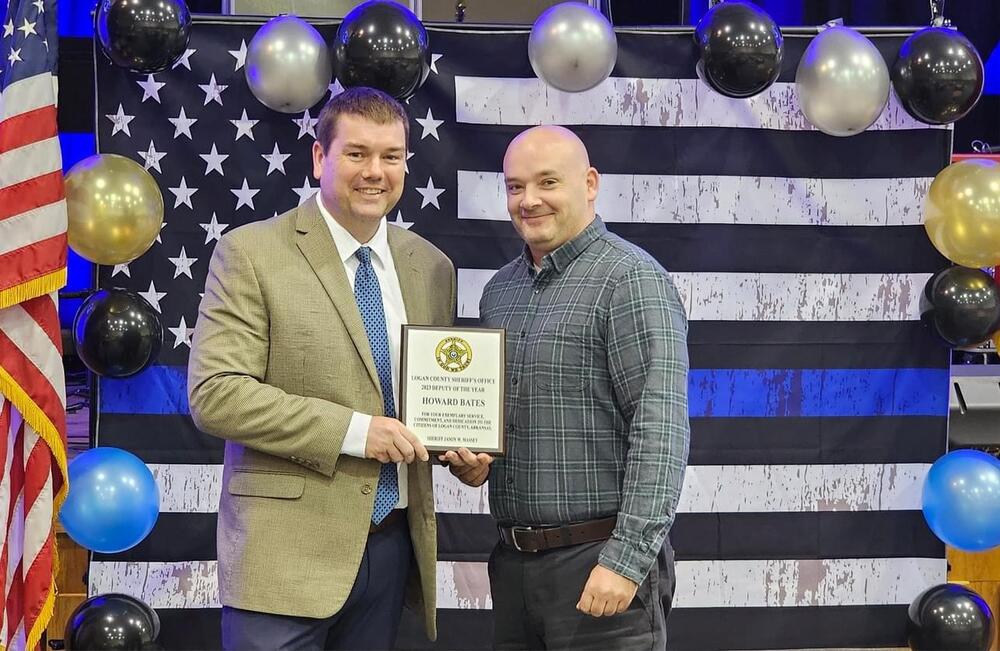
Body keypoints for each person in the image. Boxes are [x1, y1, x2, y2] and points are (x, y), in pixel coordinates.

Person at [188, 87, 455, 651]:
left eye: (391, 155)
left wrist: (461, 449)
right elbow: (216, 394)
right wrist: (359, 432)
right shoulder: (251, 253)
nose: (375, 172)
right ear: (319, 157)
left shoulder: (431, 266)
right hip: (282, 560)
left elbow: (433, 398)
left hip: (390, 549)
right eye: (357, 153)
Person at [441, 125, 689, 649]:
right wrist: (474, 463)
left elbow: (660, 430)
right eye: (514, 187)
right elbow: (504, 423)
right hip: (513, 566)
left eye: (547, 183)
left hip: (599, 562)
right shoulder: (499, 292)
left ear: (590, 183)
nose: (528, 200)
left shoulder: (630, 279)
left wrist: (625, 561)